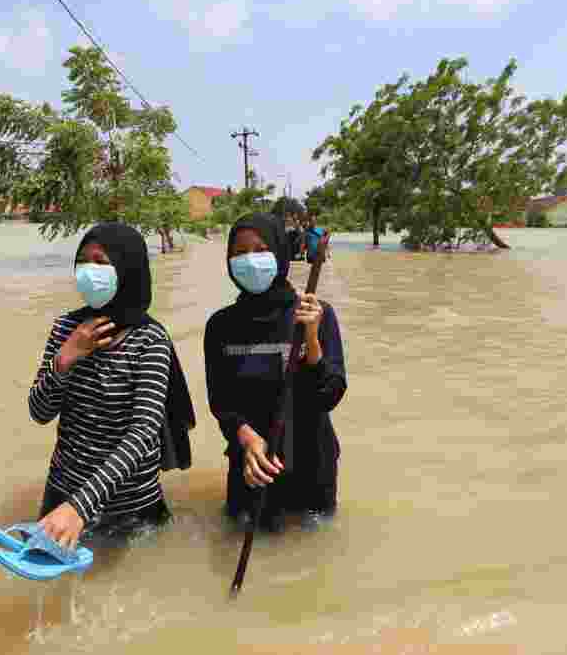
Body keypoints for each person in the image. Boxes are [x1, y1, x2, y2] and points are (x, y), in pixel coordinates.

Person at [28, 223, 195, 549]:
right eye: (83, 261)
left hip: (131, 506)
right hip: (62, 492)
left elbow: (144, 432)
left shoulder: (150, 340)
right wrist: (65, 359)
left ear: (126, 267)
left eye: (101, 262)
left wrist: (81, 506)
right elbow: (39, 412)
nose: (90, 271)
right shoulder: (65, 328)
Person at [203, 214, 347, 532]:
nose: (249, 260)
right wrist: (246, 437)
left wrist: (311, 339)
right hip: (251, 466)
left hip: (313, 466)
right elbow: (220, 401)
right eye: (239, 252)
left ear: (280, 253)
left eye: (260, 248)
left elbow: (329, 395)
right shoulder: (220, 325)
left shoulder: (316, 313)